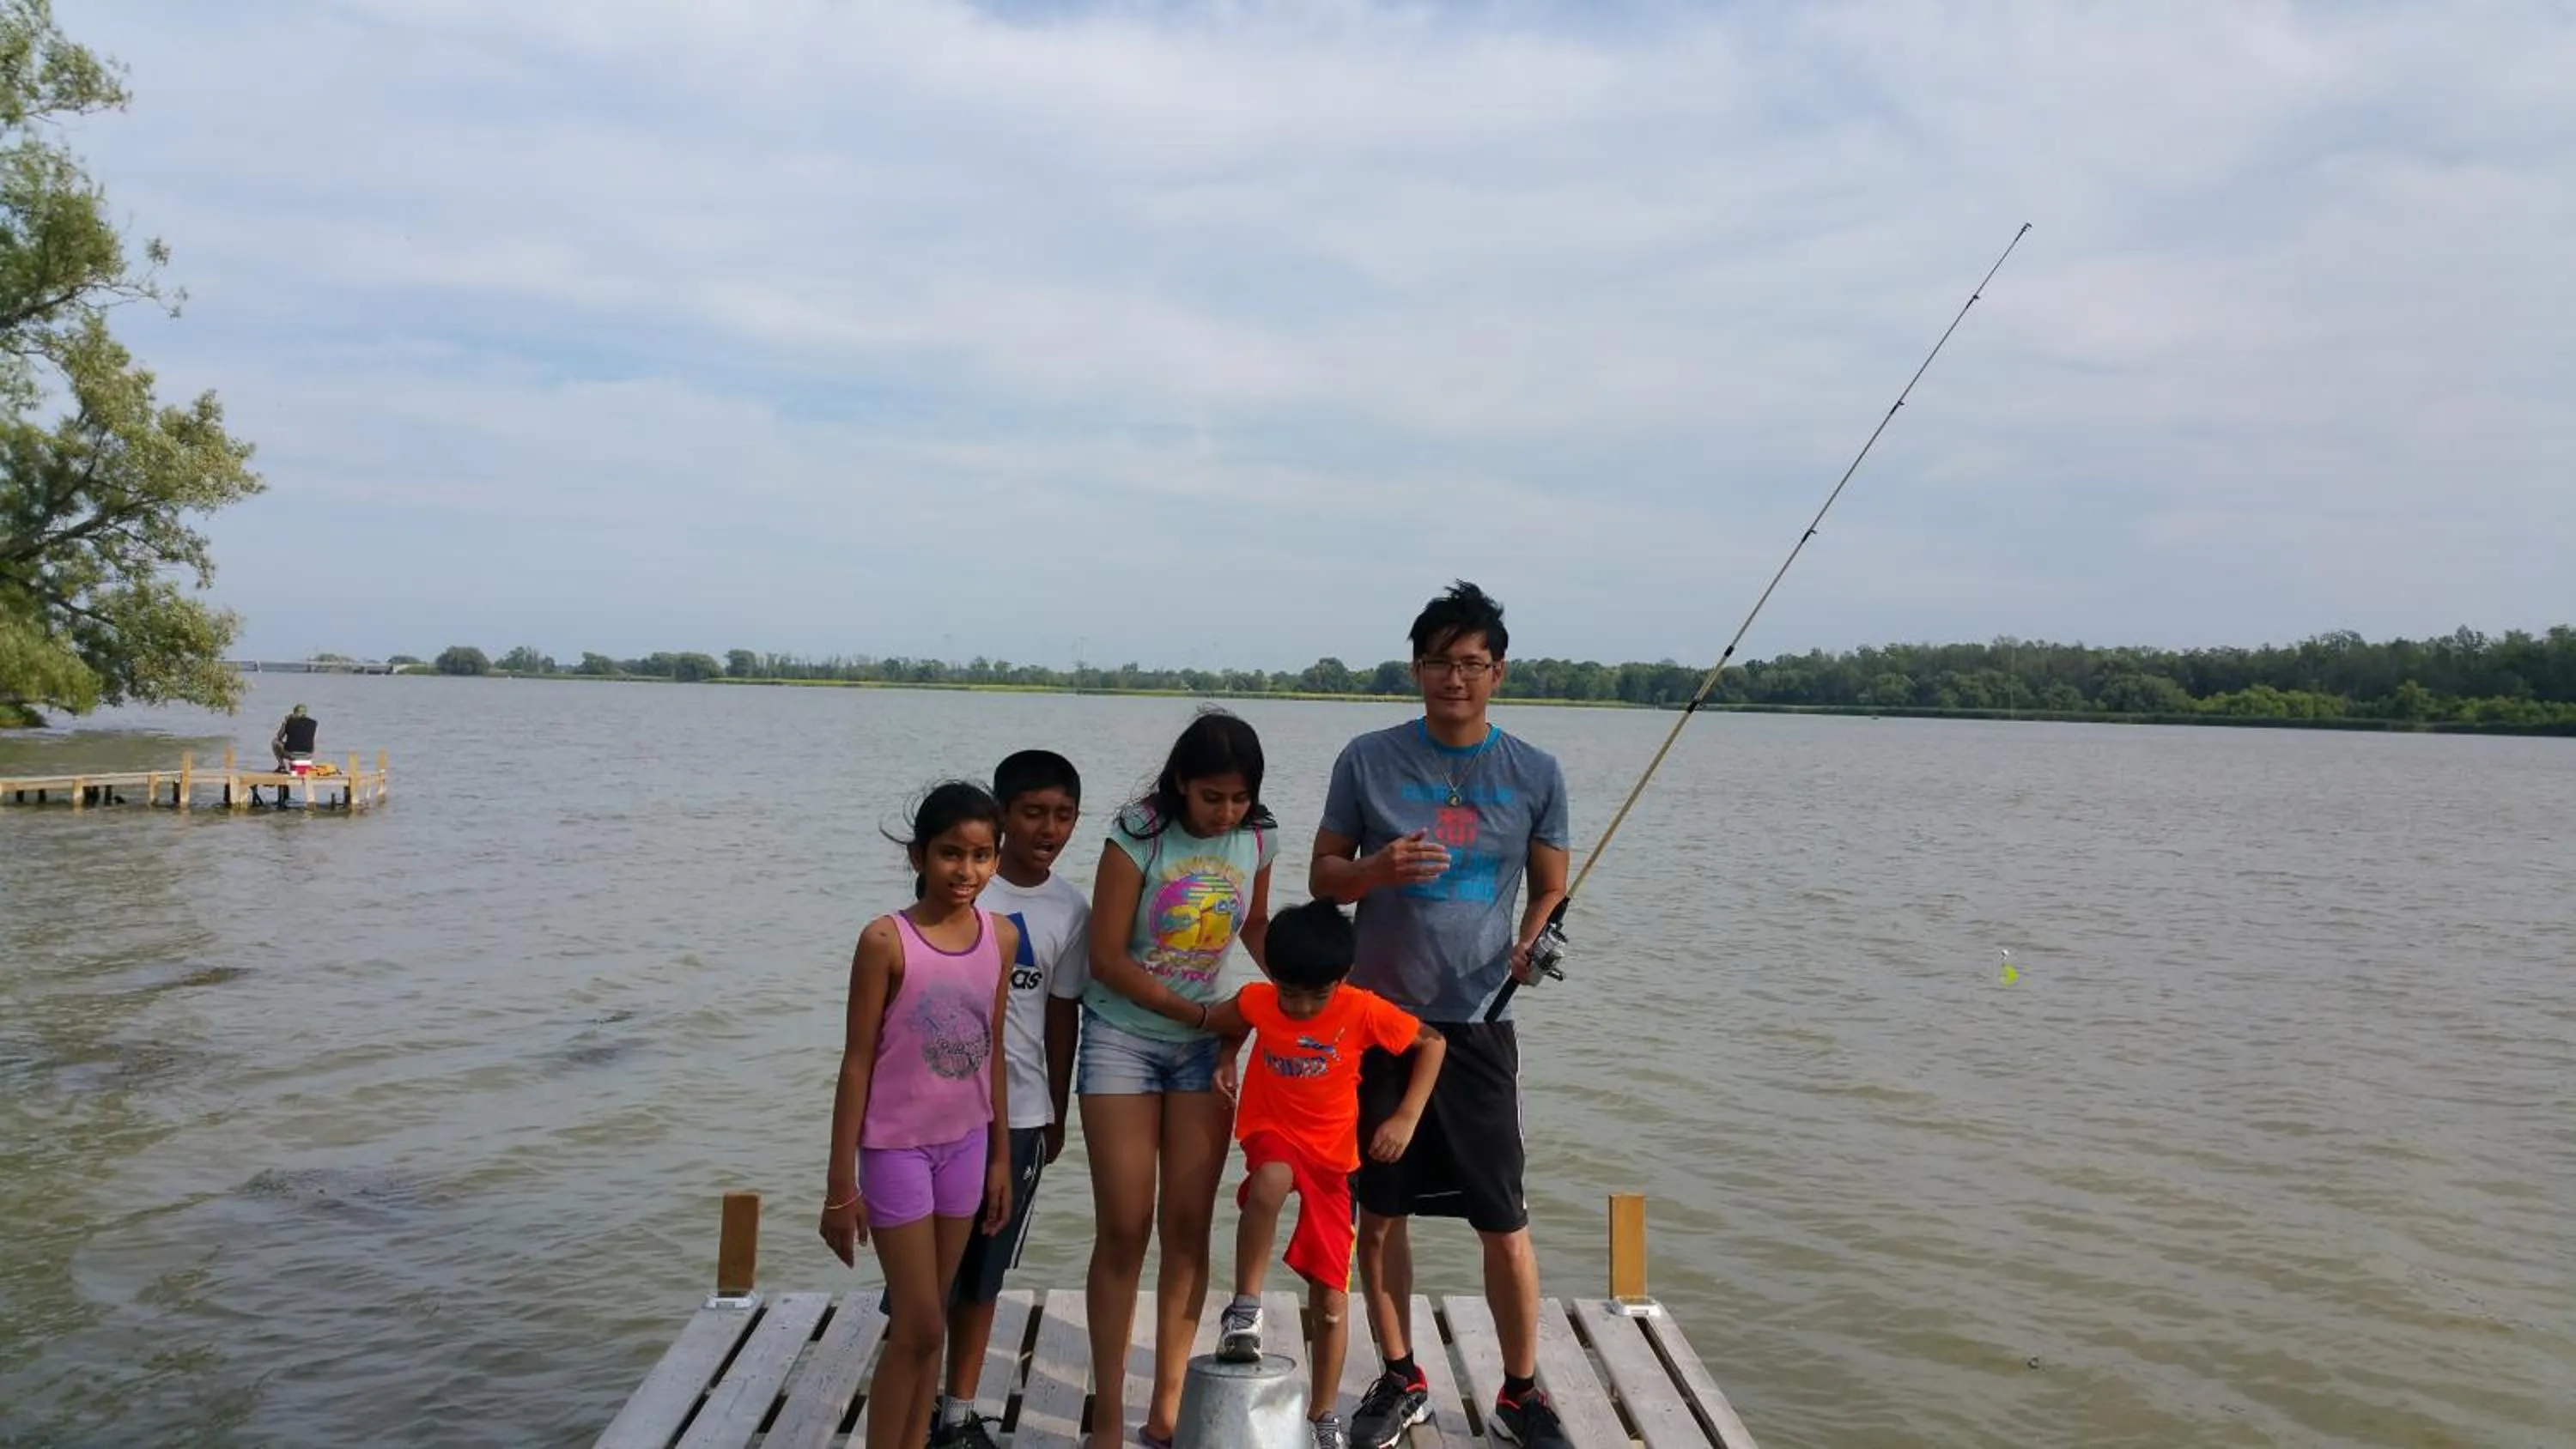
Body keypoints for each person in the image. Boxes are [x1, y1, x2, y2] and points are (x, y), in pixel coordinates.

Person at [1312, 581, 1574, 1449]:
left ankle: (1521, 1391)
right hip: (1377, 1021)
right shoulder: (1367, 757)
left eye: (1472, 662)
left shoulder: (1536, 771)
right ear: (1415, 667)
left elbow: (1550, 886)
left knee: (1503, 1218)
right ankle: (1400, 1374)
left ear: (1498, 671)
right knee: (1377, 1212)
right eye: (1438, 661)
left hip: (1478, 1022)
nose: (1454, 677)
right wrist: (1375, 871)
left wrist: (1533, 941)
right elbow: (1323, 878)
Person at [1078, 709, 1278, 1448]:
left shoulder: (1259, 836)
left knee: (1187, 1229)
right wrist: (1201, 1017)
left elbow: (1253, 926)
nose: (1226, 812)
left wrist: (1298, 985)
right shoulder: (1138, 834)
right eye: (1211, 798)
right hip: (1123, 1038)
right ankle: (1105, 1416)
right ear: (1181, 785)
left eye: (1238, 798)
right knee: (1124, 1228)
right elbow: (1106, 957)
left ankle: (1166, 1413)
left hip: (1205, 1044)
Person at [818, 782, 1019, 1449]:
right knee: (919, 1325)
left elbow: (992, 1050)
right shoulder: (886, 940)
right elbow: (855, 1064)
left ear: (997, 858)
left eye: (982, 855)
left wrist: (998, 1158)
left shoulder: (1002, 936)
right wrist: (839, 1188)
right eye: (949, 854)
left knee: (931, 1322)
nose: (966, 872)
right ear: (918, 856)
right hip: (896, 1151)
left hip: (965, 1147)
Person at [1206, 899, 1447, 1449]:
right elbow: (1234, 1021)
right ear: (1273, 976)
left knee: (1333, 1302)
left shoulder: (1361, 1009)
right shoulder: (1260, 1000)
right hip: (1273, 1131)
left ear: (1341, 980)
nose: (1301, 1006)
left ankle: (1322, 1415)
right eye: (1291, 992)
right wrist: (1226, 1057)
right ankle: (1244, 1311)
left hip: (1335, 1161)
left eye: (1318, 995)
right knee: (1267, 1180)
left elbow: (1432, 1043)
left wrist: (1406, 1117)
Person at [923, 750, 1091, 1448]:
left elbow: (1061, 1013)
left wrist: (1055, 1108)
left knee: (983, 1275)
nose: (1048, 828)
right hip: (935, 1114)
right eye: (1031, 813)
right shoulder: (964, 889)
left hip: (1019, 1115)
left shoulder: (1070, 908)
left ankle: (957, 1413)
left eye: (1062, 815)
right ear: (1001, 814)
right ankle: (912, 1404)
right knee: (924, 1276)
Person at [272, 704, 319, 771]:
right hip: (308, 755)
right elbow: (313, 738)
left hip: (292, 754)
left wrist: (285, 722)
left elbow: (279, 737)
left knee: (275, 742)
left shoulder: (289, 721)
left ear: (294, 712)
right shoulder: (314, 723)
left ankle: (282, 766)